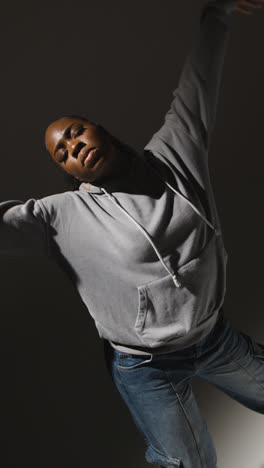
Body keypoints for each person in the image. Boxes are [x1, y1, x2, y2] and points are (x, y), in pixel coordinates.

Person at [2, 0, 264, 466]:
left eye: (76, 133)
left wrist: (217, 13)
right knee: (191, 463)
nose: (74, 148)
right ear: (68, 170)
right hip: (148, 366)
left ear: (99, 129)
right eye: (62, 153)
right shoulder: (61, 217)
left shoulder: (173, 154)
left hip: (214, 336)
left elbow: (197, 85)